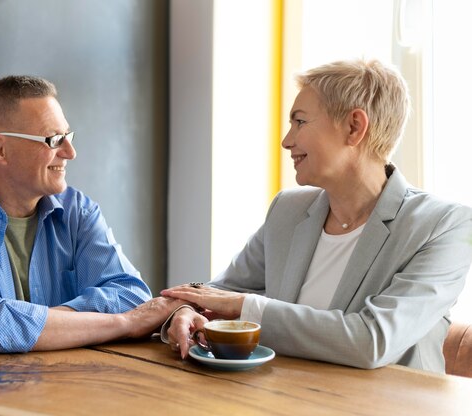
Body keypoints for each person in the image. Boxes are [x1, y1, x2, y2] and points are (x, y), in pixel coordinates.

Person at [0, 75, 184, 415]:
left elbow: (131, 294)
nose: (70, 152)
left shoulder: (78, 211)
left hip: (44, 402)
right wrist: (124, 323)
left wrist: (40, 323)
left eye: (67, 136)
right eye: (53, 139)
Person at [161, 59, 472, 372]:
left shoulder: (445, 227)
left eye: (299, 122)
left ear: (354, 127)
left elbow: (372, 341)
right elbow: (219, 294)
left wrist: (245, 307)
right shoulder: (288, 210)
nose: (287, 140)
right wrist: (189, 310)